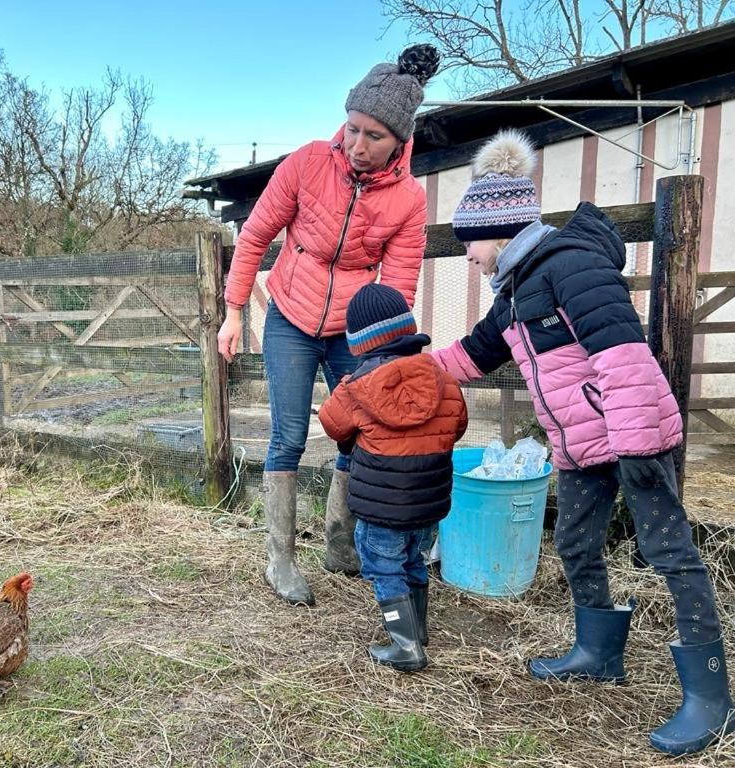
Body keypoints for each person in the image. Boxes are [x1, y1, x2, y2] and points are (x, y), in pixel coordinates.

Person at [430, 129, 734, 756]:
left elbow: (624, 359)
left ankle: (711, 696)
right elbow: (470, 357)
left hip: (632, 435)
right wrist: (404, 367)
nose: (469, 258)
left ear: (505, 230)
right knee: (572, 538)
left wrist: (634, 446)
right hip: (583, 446)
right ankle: (598, 652)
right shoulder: (512, 296)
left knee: (668, 550)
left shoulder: (572, 267)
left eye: (472, 244)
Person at [217, 45, 440, 606]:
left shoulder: (409, 199)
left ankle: (341, 546)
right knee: (288, 436)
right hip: (291, 315)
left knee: (358, 433)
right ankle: (281, 559)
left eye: (374, 136)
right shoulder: (308, 162)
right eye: (352, 128)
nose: (357, 145)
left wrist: (388, 353)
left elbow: (400, 284)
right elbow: (255, 235)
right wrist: (234, 311)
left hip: (352, 331)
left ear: (399, 141)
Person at [319, 284, 467, 671]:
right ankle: (418, 630)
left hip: (382, 508)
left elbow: (332, 426)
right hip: (429, 505)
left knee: (384, 567)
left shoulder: (356, 388)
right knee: (413, 559)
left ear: (359, 341)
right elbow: (458, 426)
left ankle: (405, 647)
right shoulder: (443, 378)